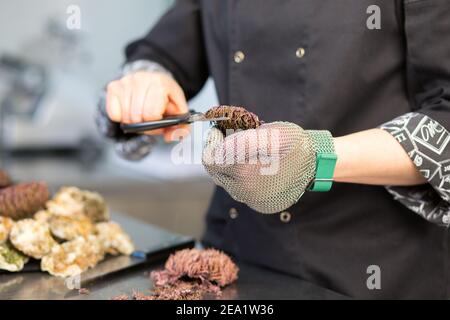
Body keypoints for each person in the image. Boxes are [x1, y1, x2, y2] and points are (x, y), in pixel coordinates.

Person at [96, 0, 450, 299]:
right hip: (233, 265)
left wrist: (317, 157)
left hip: (369, 272)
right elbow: (164, 52)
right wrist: (147, 81)